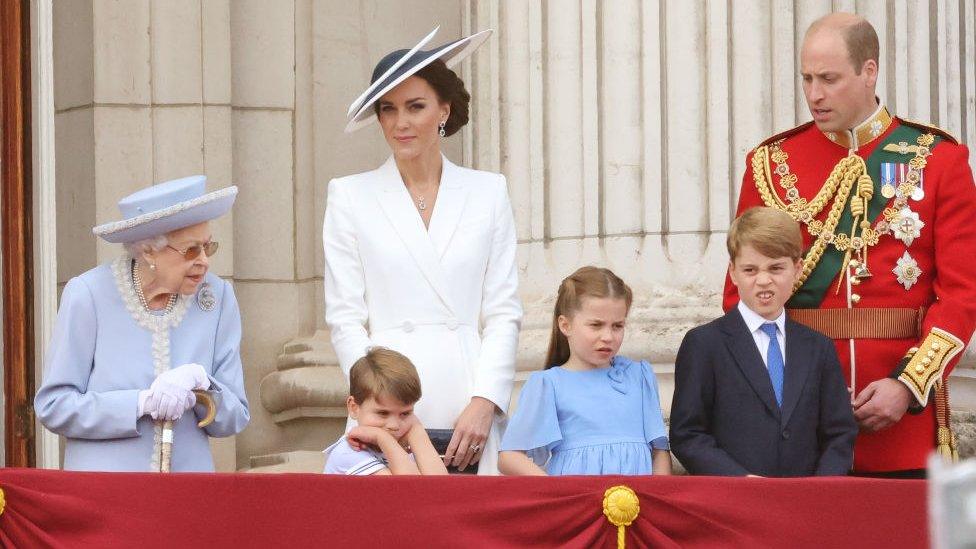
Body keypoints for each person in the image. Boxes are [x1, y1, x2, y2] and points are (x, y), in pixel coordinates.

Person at [725, 13, 976, 477]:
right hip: (796, 422)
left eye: (829, 78)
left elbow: (962, 296)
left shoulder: (938, 159)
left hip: (901, 425)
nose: (814, 94)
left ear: (869, 71)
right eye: (807, 79)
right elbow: (739, 296)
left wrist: (907, 385)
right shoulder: (770, 163)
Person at [323, 27, 522, 475]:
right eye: (388, 109)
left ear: (443, 111)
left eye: (415, 106)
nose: (401, 122)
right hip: (386, 402)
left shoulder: (488, 193)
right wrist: (376, 400)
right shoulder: (350, 196)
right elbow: (344, 316)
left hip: (466, 395)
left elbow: (503, 311)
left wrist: (487, 399)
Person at [35, 175, 250, 472]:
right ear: (149, 251)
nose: (204, 261)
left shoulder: (218, 298)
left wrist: (202, 384)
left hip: (185, 497)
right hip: (106, 494)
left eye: (208, 247)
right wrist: (140, 404)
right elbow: (54, 406)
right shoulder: (88, 295)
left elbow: (235, 417)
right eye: (191, 250)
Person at [672, 207, 856, 477]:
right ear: (733, 273)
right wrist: (742, 481)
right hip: (734, 502)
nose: (763, 281)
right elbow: (687, 434)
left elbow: (839, 432)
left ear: (797, 268)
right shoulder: (705, 344)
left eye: (776, 268)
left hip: (806, 502)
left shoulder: (818, 348)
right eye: (750, 270)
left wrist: (821, 489)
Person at [497, 266, 671, 476]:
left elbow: (660, 451)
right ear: (565, 325)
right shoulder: (549, 384)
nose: (608, 336)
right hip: (577, 503)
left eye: (617, 326)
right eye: (596, 325)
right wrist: (561, 494)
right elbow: (510, 457)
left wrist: (656, 501)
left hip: (635, 504)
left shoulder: (639, 376)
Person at [323, 347, 448, 475]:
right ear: (354, 407)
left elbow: (443, 489)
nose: (394, 425)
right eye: (383, 413)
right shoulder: (349, 452)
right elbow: (412, 490)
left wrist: (417, 431)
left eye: (405, 413)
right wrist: (382, 438)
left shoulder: (400, 450)